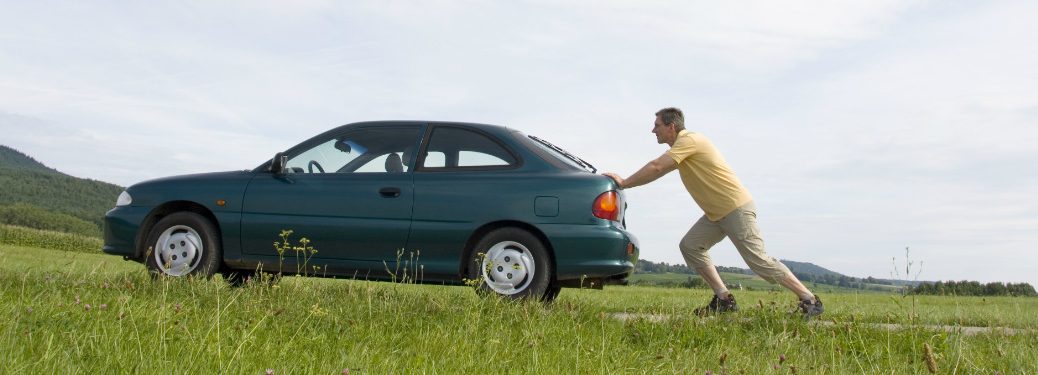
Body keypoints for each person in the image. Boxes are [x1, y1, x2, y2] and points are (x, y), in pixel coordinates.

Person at [603, 107, 824, 318]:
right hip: (716, 214)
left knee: (759, 260)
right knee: (690, 246)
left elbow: (656, 166)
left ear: (671, 126)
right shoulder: (680, 149)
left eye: (657, 125)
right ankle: (724, 299)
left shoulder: (689, 139)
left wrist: (625, 182)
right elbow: (658, 170)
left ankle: (810, 300)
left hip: (735, 208)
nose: (653, 130)